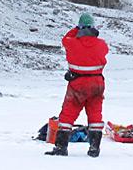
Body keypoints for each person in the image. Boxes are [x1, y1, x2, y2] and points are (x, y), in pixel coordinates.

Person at [46, 13, 109, 157]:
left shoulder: (72, 43)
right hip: (96, 84)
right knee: (95, 114)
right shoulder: (101, 44)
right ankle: (94, 148)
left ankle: (61, 147)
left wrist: (76, 30)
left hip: (77, 83)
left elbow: (65, 39)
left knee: (68, 114)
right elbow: (103, 50)